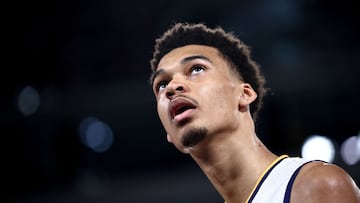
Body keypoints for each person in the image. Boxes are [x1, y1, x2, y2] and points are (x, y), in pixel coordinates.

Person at [148, 22, 360, 203]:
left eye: (196, 69)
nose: (173, 87)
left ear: (244, 94)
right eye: (162, 84)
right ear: (168, 133)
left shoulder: (314, 186)